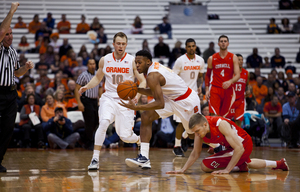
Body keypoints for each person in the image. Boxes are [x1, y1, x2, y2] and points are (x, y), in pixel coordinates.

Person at [121, 50, 201, 169]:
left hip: (186, 101)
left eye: (139, 62)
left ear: (148, 62)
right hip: (171, 98)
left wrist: (137, 107)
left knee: (194, 134)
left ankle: (217, 145)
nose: (137, 65)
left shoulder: (152, 76)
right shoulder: (152, 69)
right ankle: (144, 157)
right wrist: (136, 89)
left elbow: (159, 103)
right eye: (136, 62)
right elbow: (155, 92)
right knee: (146, 116)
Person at [78, 32, 146, 170]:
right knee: (103, 123)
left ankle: (139, 140)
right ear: (114, 44)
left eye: (123, 44)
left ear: (126, 45)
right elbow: (98, 78)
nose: (120, 46)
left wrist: (136, 97)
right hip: (108, 97)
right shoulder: (105, 59)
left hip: (125, 101)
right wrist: (87, 86)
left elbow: (143, 81)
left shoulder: (133, 61)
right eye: (118, 43)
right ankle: (95, 159)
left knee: (125, 136)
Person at [166, 114, 289, 174]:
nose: (196, 135)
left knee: (205, 165)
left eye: (197, 131)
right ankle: (279, 163)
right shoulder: (200, 131)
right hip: (234, 147)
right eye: (194, 133)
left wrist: (227, 170)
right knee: (246, 163)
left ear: (205, 124)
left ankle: (237, 166)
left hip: (243, 144)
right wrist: (183, 169)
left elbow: (239, 148)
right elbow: (195, 153)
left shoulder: (220, 124)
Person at [0, 2, 35, 173]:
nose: (10, 37)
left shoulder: (13, 52)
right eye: (7, 34)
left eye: (11, 33)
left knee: (8, 129)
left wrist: (26, 68)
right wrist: (12, 11)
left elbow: (17, 73)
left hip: (11, 94)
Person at [171, 38, 205, 156]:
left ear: (196, 47)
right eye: (189, 46)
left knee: (195, 121)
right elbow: (173, 77)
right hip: (181, 95)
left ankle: (185, 136)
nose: (191, 48)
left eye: (193, 46)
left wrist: (200, 86)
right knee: (180, 122)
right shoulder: (180, 61)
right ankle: (177, 146)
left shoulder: (200, 60)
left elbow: (200, 75)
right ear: (186, 47)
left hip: (194, 95)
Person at [205, 35, 240, 117]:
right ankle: (214, 130)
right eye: (221, 41)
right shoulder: (212, 58)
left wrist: (230, 81)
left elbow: (237, 75)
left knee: (224, 116)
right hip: (215, 88)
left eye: (225, 41)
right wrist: (207, 89)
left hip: (228, 89)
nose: (223, 43)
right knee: (214, 115)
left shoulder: (233, 57)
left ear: (228, 43)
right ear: (218, 44)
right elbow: (207, 75)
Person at [74, 59, 100, 149]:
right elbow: (76, 89)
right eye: (90, 64)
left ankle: (82, 139)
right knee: (90, 121)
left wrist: (100, 98)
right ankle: (89, 142)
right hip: (86, 100)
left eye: (94, 64)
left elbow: (100, 87)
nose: (92, 65)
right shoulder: (83, 75)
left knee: (96, 121)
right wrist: (79, 102)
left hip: (94, 101)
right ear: (87, 65)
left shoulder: (98, 74)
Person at [226, 54, 249, 127]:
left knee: (238, 121)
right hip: (230, 100)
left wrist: (248, 90)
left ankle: (237, 137)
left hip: (240, 101)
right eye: (239, 59)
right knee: (228, 121)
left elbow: (247, 85)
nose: (241, 61)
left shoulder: (246, 73)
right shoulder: (230, 72)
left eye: (242, 59)